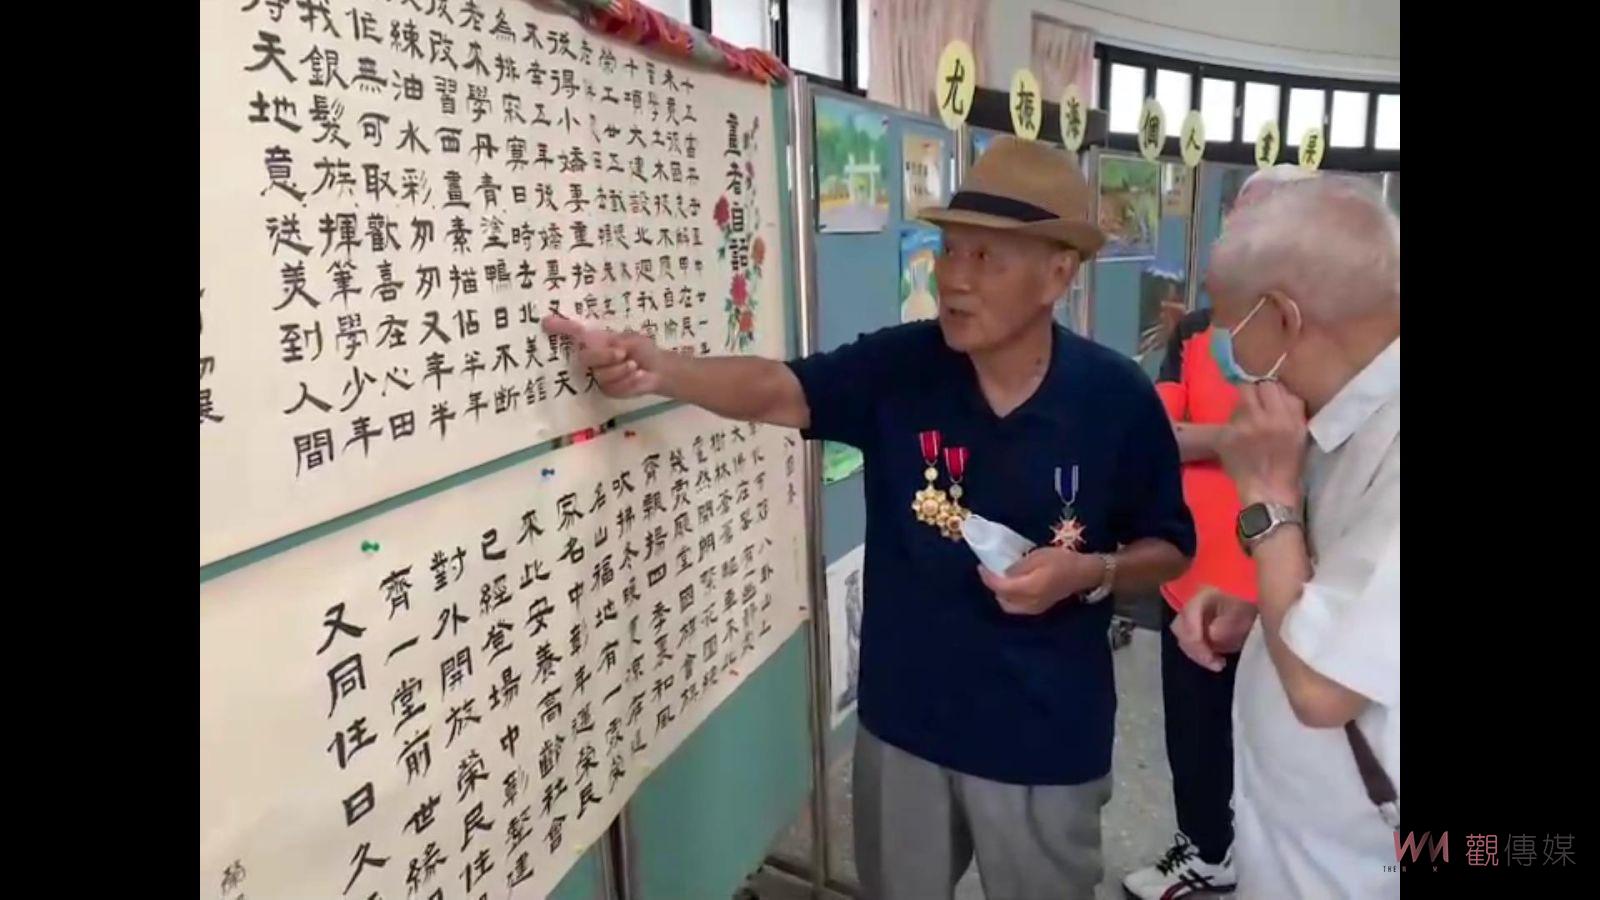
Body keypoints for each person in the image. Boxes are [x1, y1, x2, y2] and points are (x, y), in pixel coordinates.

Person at [545, 136, 1196, 900]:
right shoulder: (902, 368)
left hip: (1044, 738)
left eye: (987, 258)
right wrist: (661, 367)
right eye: (949, 250)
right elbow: (778, 389)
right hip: (905, 726)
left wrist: (1092, 571)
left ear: (1058, 273)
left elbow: (1170, 546)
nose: (954, 277)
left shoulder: (1114, 399)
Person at [1173, 176, 1400, 898]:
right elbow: (1358, 609)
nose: (1223, 353)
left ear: (1281, 318)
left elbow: (1320, 689)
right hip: (1308, 845)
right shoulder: (1346, 418)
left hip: (1356, 867)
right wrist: (1265, 613)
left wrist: (1267, 498)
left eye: (1228, 327)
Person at [1124, 163, 1315, 900]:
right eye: (1241, 217)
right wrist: (1245, 437)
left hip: (1290, 583)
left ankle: (1267, 856)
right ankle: (1204, 850)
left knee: (1285, 739)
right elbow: (1158, 437)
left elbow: (1315, 448)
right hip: (1195, 574)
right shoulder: (1197, 332)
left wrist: (1221, 439)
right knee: (1194, 734)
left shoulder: (1322, 341)